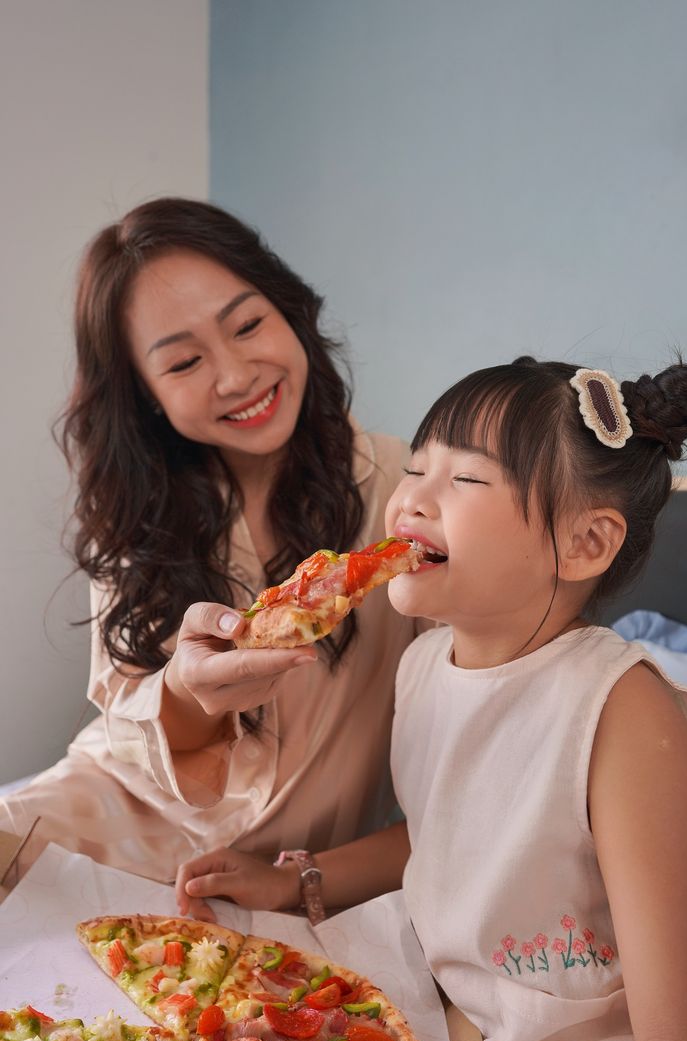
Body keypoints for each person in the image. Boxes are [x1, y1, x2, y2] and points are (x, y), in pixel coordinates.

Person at [177, 357, 687, 1041]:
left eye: (465, 478)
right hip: (446, 1010)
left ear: (584, 543)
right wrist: (298, 881)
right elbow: (451, 838)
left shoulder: (621, 713)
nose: (411, 500)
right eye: (415, 468)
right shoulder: (425, 665)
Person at [0, 197, 417, 885]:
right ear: (146, 394)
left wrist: (302, 880)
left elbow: (476, 765)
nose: (235, 376)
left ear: (289, 311)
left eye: (248, 325)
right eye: (184, 362)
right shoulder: (137, 511)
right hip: (107, 817)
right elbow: (128, 723)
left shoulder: (407, 494)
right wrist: (186, 691)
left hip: (272, 868)